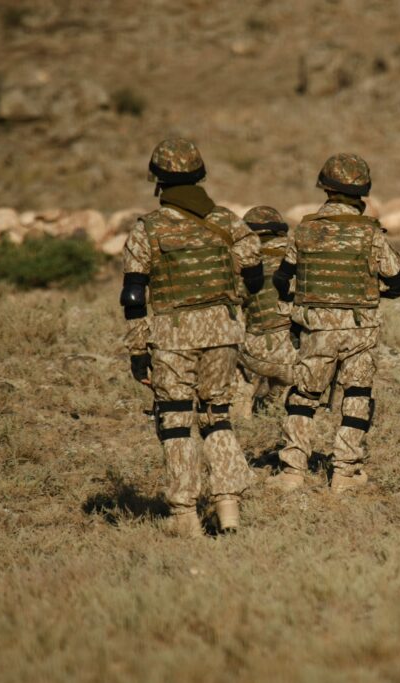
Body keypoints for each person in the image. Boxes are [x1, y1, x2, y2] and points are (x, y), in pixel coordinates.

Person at [120, 138, 263, 537]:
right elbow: (254, 275)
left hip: (171, 335)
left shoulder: (147, 228)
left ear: (158, 181)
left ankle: (184, 516)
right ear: (200, 175)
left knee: (177, 421)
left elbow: (133, 295)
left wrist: (137, 350)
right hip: (222, 330)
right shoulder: (229, 221)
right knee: (217, 415)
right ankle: (228, 506)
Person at [269, 153, 400, 493]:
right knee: (357, 396)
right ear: (363, 192)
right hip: (361, 329)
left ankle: (292, 473)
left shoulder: (305, 229)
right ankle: (345, 474)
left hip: (317, 330)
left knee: (303, 396)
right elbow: (399, 281)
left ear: (326, 189)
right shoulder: (371, 233)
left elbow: (281, 278)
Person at [229, 206, 297, 417]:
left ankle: (240, 414)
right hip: (299, 356)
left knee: (233, 352)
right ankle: (273, 406)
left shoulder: (241, 258)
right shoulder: (298, 252)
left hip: (259, 354)